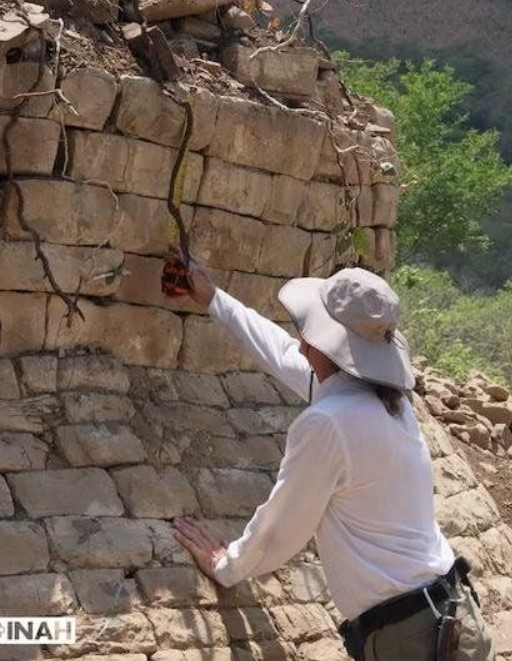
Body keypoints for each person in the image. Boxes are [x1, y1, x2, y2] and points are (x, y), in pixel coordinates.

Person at [171, 260, 495, 661]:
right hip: (456, 618)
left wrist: (226, 566)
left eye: (309, 331)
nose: (301, 342)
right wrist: (215, 299)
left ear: (323, 344)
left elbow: (281, 528)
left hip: (410, 640)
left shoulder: (330, 424)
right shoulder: (389, 403)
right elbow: (282, 354)